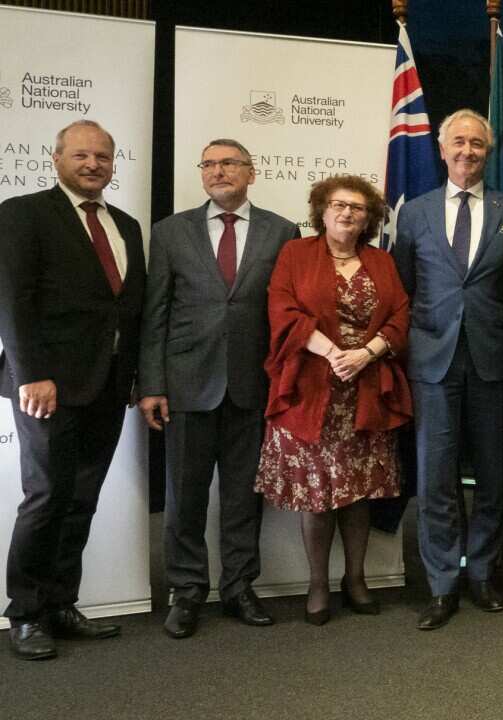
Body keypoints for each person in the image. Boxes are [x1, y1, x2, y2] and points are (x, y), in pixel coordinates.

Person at [139, 138, 299, 639]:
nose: (217, 171)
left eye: (228, 163)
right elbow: (155, 314)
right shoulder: (170, 232)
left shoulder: (283, 231)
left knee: (242, 497)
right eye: (208, 164)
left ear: (252, 172)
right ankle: (186, 592)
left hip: (254, 386)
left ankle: (238, 587)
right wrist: (152, 385)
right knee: (184, 497)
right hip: (186, 385)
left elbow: (286, 314)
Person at [0, 120, 146, 660]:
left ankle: (62, 603)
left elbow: (128, 309)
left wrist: (134, 376)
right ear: (57, 158)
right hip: (48, 386)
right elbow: (12, 301)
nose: (93, 164)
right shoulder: (23, 214)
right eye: (81, 155)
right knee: (46, 497)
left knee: (82, 498)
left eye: (103, 156)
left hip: (109, 386)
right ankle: (26, 614)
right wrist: (30, 373)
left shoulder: (126, 225)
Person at [254, 175, 412, 626]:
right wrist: (332, 353)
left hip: (365, 392)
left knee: (358, 494)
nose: (347, 214)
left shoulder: (381, 262)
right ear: (321, 211)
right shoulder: (295, 254)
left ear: (369, 219)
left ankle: (357, 579)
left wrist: (366, 354)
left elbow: (401, 314)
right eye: (339, 205)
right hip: (310, 390)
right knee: (317, 497)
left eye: (358, 208)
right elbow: (281, 309)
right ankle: (319, 584)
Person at [392, 109, 503, 631]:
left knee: (494, 475)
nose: (467, 152)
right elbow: (404, 286)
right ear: (442, 151)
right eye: (459, 143)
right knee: (436, 476)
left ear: (487, 153)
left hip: (494, 359)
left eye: (477, 144)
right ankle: (443, 583)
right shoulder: (415, 214)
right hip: (432, 360)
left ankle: (483, 571)